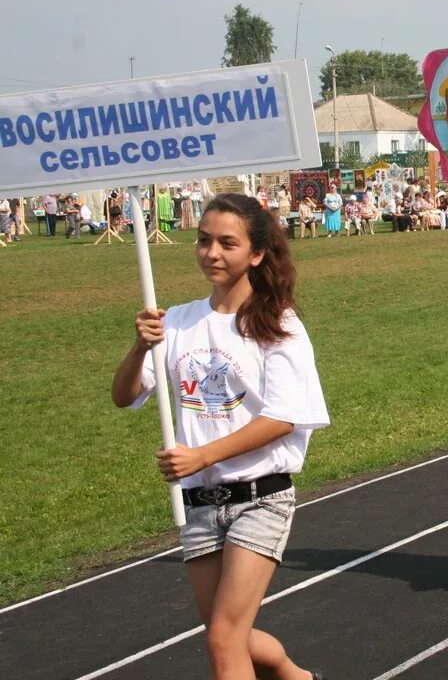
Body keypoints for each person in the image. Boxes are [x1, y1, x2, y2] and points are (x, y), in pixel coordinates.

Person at [110, 193, 329, 680]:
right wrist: (139, 345)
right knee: (228, 632)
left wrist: (202, 454)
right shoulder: (178, 322)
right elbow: (125, 396)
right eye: (204, 240)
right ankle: (295, 676)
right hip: (200, 504)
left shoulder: (279, 324)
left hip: (261, 498)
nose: (212, 253)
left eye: (227, 243)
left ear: (255, 253)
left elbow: (284, 418)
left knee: (223, 639)